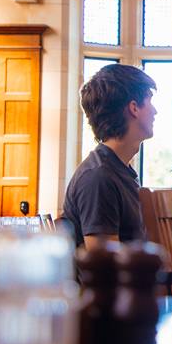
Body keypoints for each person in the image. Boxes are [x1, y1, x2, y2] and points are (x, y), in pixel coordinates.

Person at [61, 64, 157, 249]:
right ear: (134, 108)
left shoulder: (118, 170)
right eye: (150, 101)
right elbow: (105, 268)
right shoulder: (98, 177)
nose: (155, 111)